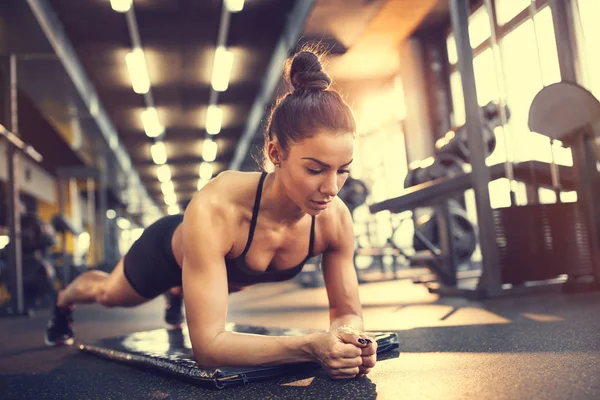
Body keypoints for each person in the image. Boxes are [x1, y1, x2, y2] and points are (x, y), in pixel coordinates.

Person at [44, 50, 378, 380]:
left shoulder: (334, 219)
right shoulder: (217, 207)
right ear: (276, 153)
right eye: (316, 169)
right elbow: (208, 347)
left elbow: (347, 312)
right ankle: (65, 298)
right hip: (165, 251)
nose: (332, 188)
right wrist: (312, 346)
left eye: (343, 170)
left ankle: (181, 293)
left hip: (219, 271)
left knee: (212, 285)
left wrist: (347, 339)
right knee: (110, 296)